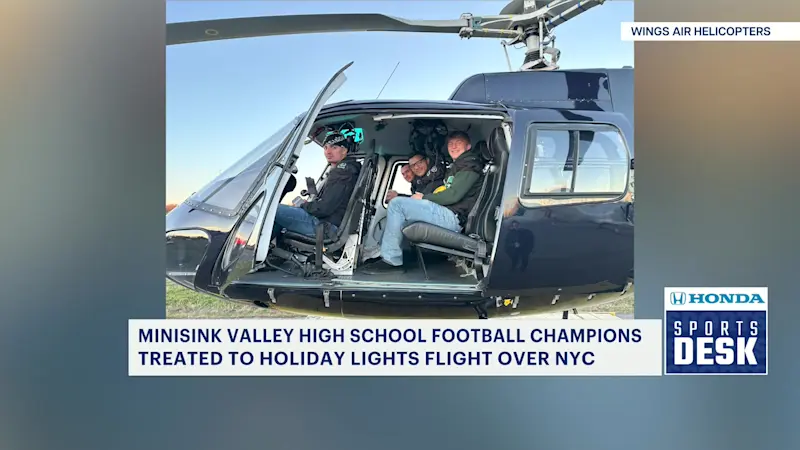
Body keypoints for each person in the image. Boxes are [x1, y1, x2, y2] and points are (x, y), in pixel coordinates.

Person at [363, 131, 484, 274]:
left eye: (458, 143)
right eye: (451, 144)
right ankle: (383, 253)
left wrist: (423, 198)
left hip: (454, 217)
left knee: (397, 204)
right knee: (399, 214)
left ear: (468, 146)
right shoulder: (458, 165)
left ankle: (391, 259)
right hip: (448, 212)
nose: (453, 146)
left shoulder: (470, 164)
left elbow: (453, 195)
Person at [271, 131, 361, 240]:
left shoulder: (342, 172)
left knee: (270, 210)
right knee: (280, 215)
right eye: (325, 148)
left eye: (334, 147)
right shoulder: (348, 169)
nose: (328, 152)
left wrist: (304, 205)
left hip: (325, 226)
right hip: (328, 223)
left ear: (344, 150)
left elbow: (324, 208)